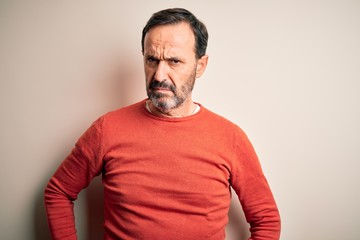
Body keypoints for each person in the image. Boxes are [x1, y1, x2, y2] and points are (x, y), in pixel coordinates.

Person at [44, 8, 281, 240]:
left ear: (200, 66)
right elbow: (58, 191)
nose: (159, 75)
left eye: (174, 61)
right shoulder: (107, 129)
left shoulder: (230, 138)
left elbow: (266, 221)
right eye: (152, 60)